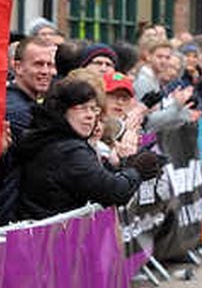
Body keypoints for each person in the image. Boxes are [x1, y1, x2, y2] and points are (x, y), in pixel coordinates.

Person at [15, 76, 162, 220]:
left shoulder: (52, 138)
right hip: (53, 238)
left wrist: (115, 165)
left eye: (93, 109)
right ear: (61, 111)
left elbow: (94, 180)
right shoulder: (69, 150)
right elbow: (113, 192)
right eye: (81, 108)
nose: (90, 116)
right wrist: (137, 170)